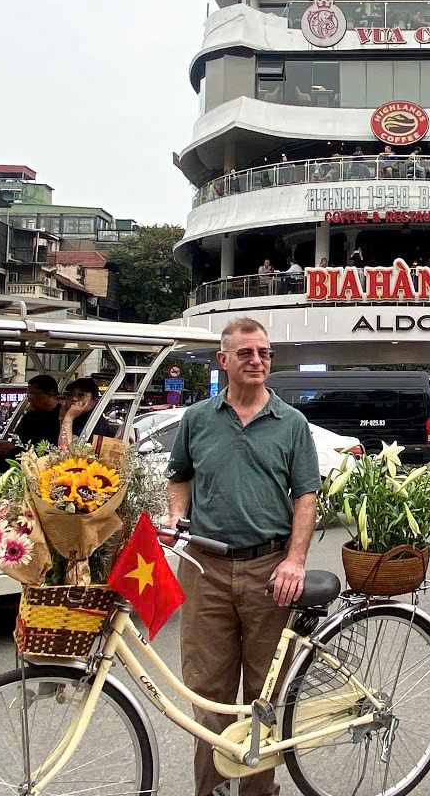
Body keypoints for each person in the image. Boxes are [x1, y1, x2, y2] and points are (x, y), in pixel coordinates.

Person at [166, 317, 320, 796]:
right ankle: (209, 789)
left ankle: (258, 791)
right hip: (204, 567)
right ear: (223, 361)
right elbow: (179, 476)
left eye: (265, 353)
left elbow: (306, 497)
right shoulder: (196, 420)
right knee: (207, 696)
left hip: (269, 570)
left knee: (263, 696)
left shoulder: (291, 424)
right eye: (247, 353)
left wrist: (295, 560)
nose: (257, 361)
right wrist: (176, 516)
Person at [58, 377, 117, 449]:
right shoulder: (74, 414)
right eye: (71, 394)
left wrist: (69, 418)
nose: (74, 398)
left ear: (94, 400)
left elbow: (65, 450)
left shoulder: (95, 423)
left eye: (81, 395)